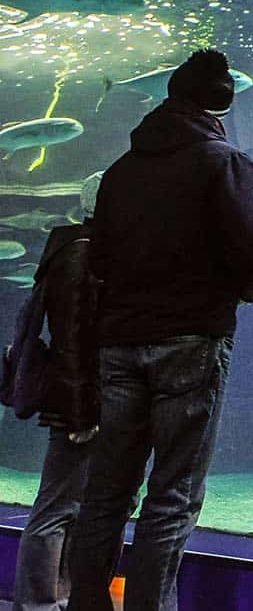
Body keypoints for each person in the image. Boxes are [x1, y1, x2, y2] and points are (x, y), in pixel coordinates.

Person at [66, 49, 253, 611]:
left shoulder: (121, 172)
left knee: (105, 494)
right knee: (171, 498)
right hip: (191, 342)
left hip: (118, 346)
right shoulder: (225, 164)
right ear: (221, 100)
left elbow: (98, 260)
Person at [12, 174, 103, 611]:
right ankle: (37, 603)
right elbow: (75, 338)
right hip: (74, 402)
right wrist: (82, 411)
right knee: (56, 509)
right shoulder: (81, 255)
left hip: (79, 396)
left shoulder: (80, 251)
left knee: (73, 507)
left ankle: (60, 597)